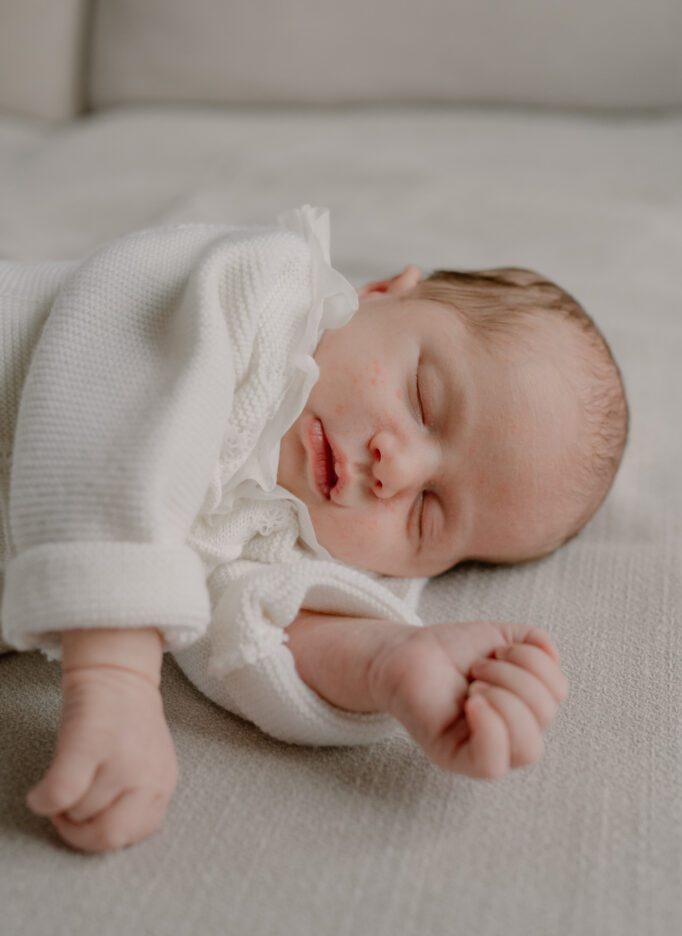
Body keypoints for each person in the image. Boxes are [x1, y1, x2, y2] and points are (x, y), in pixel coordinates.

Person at [0, 206, 628, 852]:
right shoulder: (262, 293)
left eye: (428, 515)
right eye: (423, 399)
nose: (397, 470)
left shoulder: (284, 535)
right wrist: (115, 669)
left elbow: (250, 632)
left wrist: (388, 659)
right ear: (378, 293)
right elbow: (118, 384)